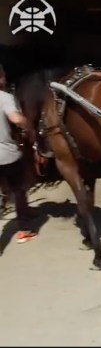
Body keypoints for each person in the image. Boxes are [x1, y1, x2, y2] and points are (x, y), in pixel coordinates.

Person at [0, 65, 37, 245]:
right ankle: (24, 229)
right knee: (19, 189)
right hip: (6, 155)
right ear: (1, 78)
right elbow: (15, 119)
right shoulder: (4, 97)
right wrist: (29, 126)